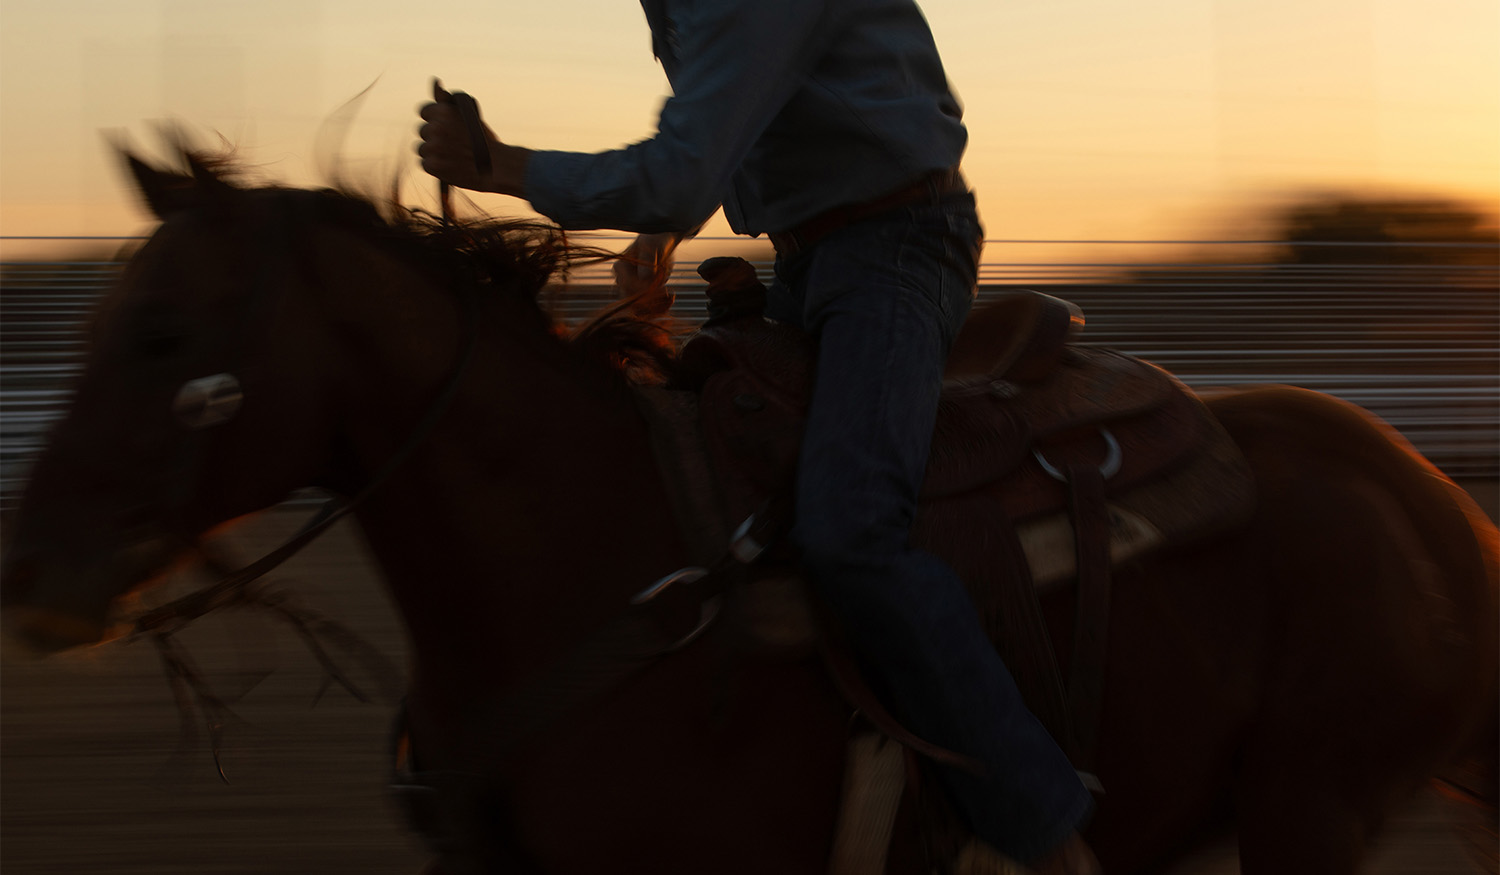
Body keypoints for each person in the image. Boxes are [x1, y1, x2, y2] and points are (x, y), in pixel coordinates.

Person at [417, 1, 1098, 870]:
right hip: (814, 255)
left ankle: (1043, 825)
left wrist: (499, 164)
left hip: (896, 250)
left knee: (852, 530)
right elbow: (741, 116)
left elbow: (683, 169)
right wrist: (663, 226)